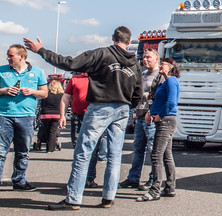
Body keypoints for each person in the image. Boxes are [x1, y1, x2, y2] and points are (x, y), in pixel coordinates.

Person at [24, 26, 142, 211]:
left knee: (83, 152)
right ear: (129, 41)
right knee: (114, 155)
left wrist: (41, 51)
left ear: (113, 38)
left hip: (100, 106)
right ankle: (108, 197)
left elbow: (69, 63)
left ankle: (73, 199)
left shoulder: (102, 54)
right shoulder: (134, 63)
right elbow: (138, 92)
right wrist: (128, 105)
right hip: (122, 109)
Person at [0, 44, 48, 191]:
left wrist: (32, 91)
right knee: (1, 151)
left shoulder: (37, 72)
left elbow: (45, 93)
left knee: (23, 151)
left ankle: (19, 181)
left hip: (26, 116)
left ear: (22, 57)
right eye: (8, 55)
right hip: (4, 116)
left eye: (10, 55)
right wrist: (4, 90)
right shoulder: (2, 70)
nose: (7, 58)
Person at [137, 58, 180, 202]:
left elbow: (171, 102)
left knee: (156, 154)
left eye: (163, 64)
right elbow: (159, 100)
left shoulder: (171, 81)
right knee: (167, 155)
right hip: (164, 119)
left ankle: (155, 190)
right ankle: (169, 186)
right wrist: (151, 112)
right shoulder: (166, 81)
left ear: (170, 67)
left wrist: (160, 115)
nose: (160, 65)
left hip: (166, 121)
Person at [121, 49, 164, 191]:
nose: (145, 60)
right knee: (137, 149)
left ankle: (153, 179)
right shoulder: (142, 75)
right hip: (139, 116)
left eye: (148, 57)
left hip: (151, 118)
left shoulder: (160, 76)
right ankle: (133, 178)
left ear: (156, 59)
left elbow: (161, 97)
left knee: (153, 150)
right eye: (144, 57)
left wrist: (152, 112)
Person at [59, 73, 107, 189]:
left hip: (95, 119)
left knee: (93, 149)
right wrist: (62, 115)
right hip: (78, 117)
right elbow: (66, 97)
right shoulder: (75, 79)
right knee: (78, 149)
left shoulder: (101, 76)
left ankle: (89, 178)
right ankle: (77, 179)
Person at [36, 79, 64, 153]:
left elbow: (42, 105)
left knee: (45, 129)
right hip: (56, 114)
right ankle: (50, 148)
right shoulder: (61, 95)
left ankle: (43, 141)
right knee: (53, 131)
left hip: (45, 114)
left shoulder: (46, 95)